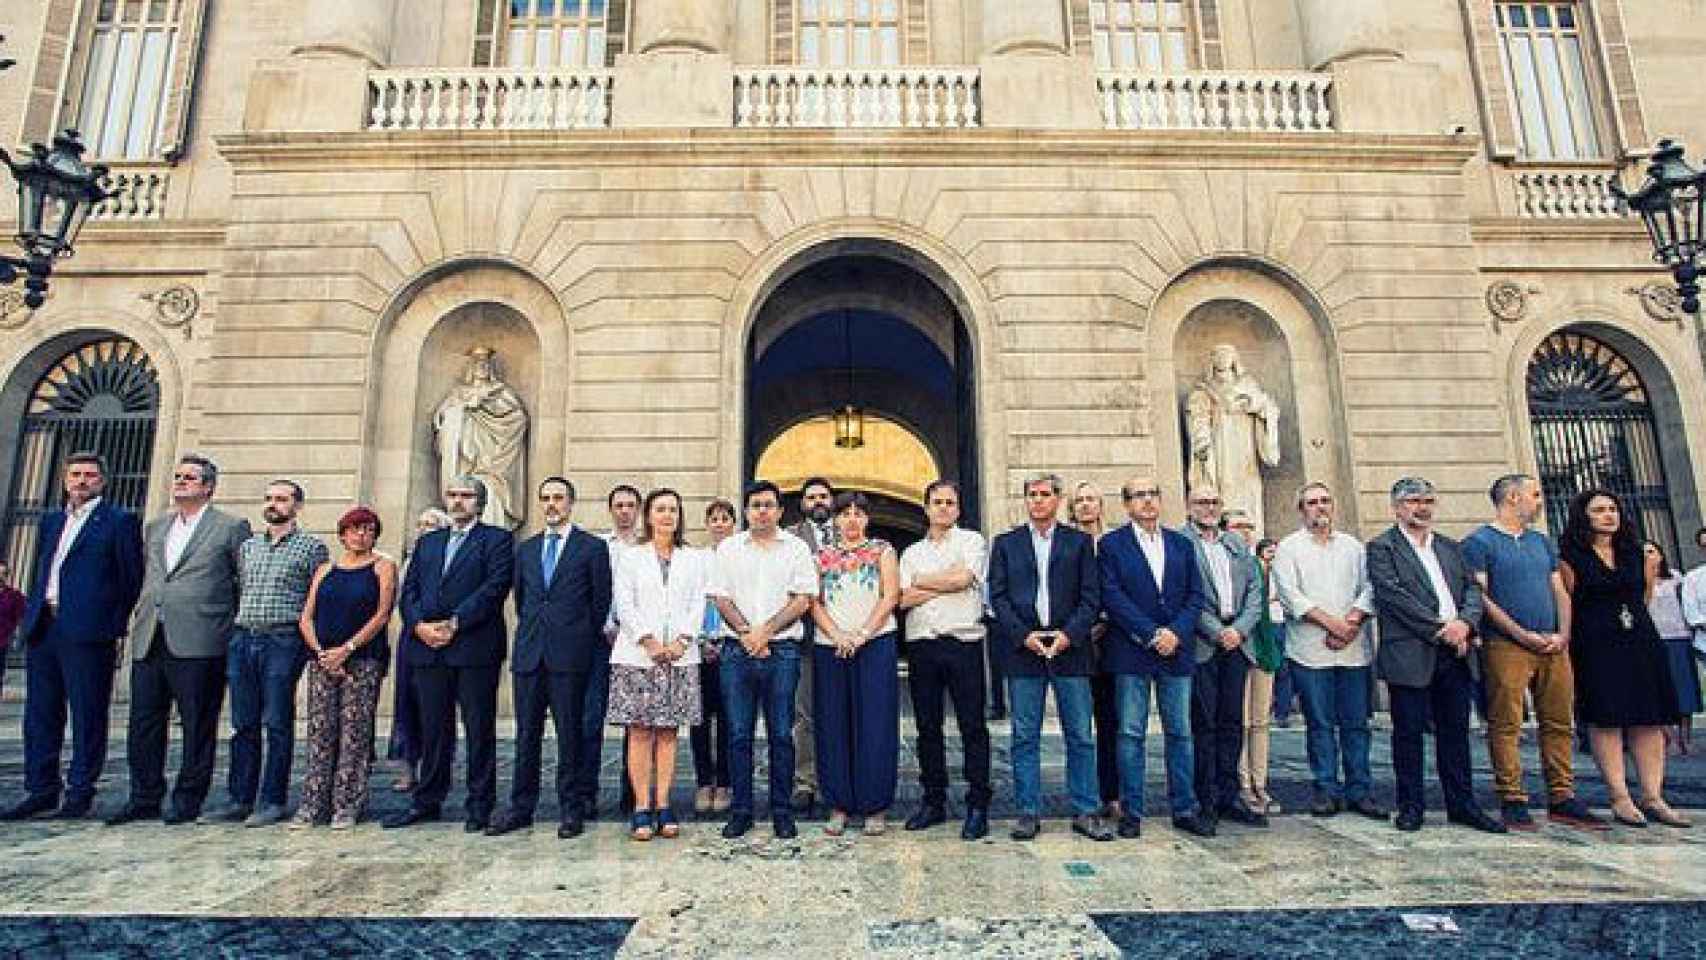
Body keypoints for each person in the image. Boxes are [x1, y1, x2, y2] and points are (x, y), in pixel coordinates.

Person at [108, 454, 252, 826]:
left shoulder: (230, 527)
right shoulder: (156, 526)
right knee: (143, 721)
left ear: (208, 486)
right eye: (178, 476)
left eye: (190, 477)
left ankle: (188, 798)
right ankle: (144, 795)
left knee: (196, 723)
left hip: (201, 637)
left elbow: (243, 581)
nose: (180, 482)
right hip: (152, 634)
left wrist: (227, 626)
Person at [2, 453, 144, 821]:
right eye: (75, 474)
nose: (81, 481)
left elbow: (131, 579)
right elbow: (42, 569)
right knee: (40, 713)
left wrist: (111, 624)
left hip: (88, 630)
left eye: (90, 475)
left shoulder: (118, 522)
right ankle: (41, 788)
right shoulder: (51, 521)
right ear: (65, 480)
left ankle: (80, 791)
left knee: (87, 713)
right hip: (44, 627)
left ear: (103, 481)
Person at [1463, 474, 1606, 832]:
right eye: (1534, 494)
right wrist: (1520, 634)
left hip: (1554, 646)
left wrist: (1563, 634)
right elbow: (1481, 598)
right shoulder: (1479, 543)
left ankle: (1562, 795)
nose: (1539, 501)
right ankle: (1512, 797)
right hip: (1506, 646)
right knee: (1507, 724)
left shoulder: (1542, 543)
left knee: (1559, 721)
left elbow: (1558, 588)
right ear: (1512, 497)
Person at [1365, 477, 1504, 834]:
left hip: (1456, 652)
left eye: (1427, 500)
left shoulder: (1450, 547)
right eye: (1413, 501)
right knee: (1408, 733)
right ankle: (1411, 805)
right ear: (1397, 507)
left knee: (1455, 732)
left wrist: (1466, 624)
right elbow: (1392, 597)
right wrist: (1443, 629)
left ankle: (1462, 803)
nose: (1422, 507)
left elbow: (1472, 589)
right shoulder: (1382, 548)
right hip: (1413, 652)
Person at [385, 476, 515, 832]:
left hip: (474, 648)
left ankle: (480, 804)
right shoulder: (429, 543)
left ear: (480, 501)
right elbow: (408, 591)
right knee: (433, 730)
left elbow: (495, 587)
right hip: (428, 649)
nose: (458, 502)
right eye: (453, 495)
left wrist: (455, 623)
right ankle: (428, 799)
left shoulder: (497, 540)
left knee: (478, 728)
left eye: (466, 496)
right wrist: (419, 626)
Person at [487, 477, 612, 839]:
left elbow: (600, 602)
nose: (552, 504)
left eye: (558, 498)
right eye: (546, 498)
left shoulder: (591, 548)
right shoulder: (526, 550)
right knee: (526, 734)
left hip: (570, 656)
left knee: (570, 734)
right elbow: (523, 600)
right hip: (530, 653)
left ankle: (571, 808)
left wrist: (577, 638)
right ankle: (521, 806)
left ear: (571, 502)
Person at [1558, 490, 1690, 828]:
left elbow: (1643, 596)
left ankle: (1653, 796)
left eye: (1612, 509)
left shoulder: (1637, 552)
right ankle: (1619, 796)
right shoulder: (1571, 555)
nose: (1608, 516)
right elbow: (1570, 599)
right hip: (1596, 643)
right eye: (1599, 510)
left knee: (1649, 718)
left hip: (1639, 639)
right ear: (1584, 517)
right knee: (1608, 718)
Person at [989, 474, 1109, 842]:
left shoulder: (1079, 543)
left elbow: (1091, 597)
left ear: (1058, 500)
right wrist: (1023, 636)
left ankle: (1086, 809)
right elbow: (998, 596)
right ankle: (1027, 811)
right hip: (1023, 649)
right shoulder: (1006, 544)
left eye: (1045, 495)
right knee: (1025, 735)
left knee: (1080, 734)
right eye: (1032, 495)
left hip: (1069, 649)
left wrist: (1068, 636)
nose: (1038, 501)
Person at [209, 479, 329, 827]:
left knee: (276, 721)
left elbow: (315, 598)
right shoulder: (248, 547)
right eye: (269, 498)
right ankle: (239, 798)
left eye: (282, 499)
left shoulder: (311, 548)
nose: (273, 504)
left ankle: (272, 799)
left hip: (283, 640)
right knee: (242, 723)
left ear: (297, 506)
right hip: (244, 637)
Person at [1099, 477, 1213, 839]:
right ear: (1126, 503)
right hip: (1132, 651)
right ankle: (1132, 811)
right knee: (1131, 733)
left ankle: (1184, 807)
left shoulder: (1181, 544)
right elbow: (1113, 597)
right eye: (1139, 496)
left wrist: (1175, 633)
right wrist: (1150, 634)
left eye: (1153, 494)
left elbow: (1196, 595)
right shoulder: (1112, 545)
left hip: (1176, 653)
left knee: (1180, 732)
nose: (1147, 501)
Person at [1271, 482, 1386, 821]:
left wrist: (1350, 623)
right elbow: (1291, 596)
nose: (1319, 508)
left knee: (1356, 723)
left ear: (1333, 506)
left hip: (1353, 650)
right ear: (1301, 510)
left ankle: (1360, 790)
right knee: (1319, 724)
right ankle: (1325, 789)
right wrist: (1332, 626)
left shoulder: (1353, 547)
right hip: (1311, 650)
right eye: (1311, 503)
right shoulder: (1289, 550)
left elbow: (1370, 588)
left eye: (1324, 501)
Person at [710, 480, 819, 840]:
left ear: (780, 510)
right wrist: (747, 633)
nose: (762, 511)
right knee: (739, 735)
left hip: (783, 651)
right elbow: (721, 597)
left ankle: (781, 810)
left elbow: (803, 598)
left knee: (781, 734)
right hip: (736, 652)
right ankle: (741, 810)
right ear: (746, 510)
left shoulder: (797, 549)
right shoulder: (728, 549)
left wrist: (766, 631)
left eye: (768, 505)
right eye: (755, 505)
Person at [610, 488, 711, 841]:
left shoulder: (694, 559)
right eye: (660, 509)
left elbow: (699, 602)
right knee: (639, 731)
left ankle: (664, 803)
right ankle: (640, 806)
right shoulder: (631, 557)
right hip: (638, 655)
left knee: (669, 732)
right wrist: (649, 641)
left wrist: (683, 640)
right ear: (648, 516)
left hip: (680, 656)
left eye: (673, 509)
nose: (667, 515)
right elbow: (624, 603)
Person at [898, 480, 992, 841]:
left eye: (950, 502)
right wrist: (946, 581)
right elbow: (902, 600)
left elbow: (964, 579)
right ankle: (933, 800)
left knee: (973, 726)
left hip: (963, 642)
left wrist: (924, 582)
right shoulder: (910, 553)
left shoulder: (971, 542)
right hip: (923, 645)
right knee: (927, 728)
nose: (943, 508)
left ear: (958, 508)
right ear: (926, 508)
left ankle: (977, 804)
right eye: (936, 502)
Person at [293, 507, 397, 829]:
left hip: (362, 660)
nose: (361, 535)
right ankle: (313, 802)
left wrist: (348, 649)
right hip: (323, 660)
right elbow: (306, 616)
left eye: (367, 530)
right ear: (342, 534)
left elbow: (381, 615)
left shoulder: (383, 567)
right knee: (320, 732)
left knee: (354, 732)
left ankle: (347, 803)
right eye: (354, 530)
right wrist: (323, 652)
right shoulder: (326, 570)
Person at [811, 491, 901, 836]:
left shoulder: (882, 550)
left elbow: (890, 595)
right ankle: (838, 804)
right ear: (835, 518)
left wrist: (863, 633)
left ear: (867, 518)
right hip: (830, 645)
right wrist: (837, 635)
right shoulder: (821, 556)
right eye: (845, 513)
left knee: (876, 724)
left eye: (858, 513)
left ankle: (875, 805)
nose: (852, 519)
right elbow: (813, 601)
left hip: (875, 643)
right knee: (833, 724)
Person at [1180, 485, 1267, 828]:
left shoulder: (1236, 544)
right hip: (1204, 644)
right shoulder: (1181, 544)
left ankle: (1230, 795)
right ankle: (1206, 798)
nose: (1209, 508)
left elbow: (1256, 591)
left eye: (1214, 502)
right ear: (1189, 507)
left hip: (1238, 643)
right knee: (1205, 725)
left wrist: (1240, 630)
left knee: (1233, 722)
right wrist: (1217, 631)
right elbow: (1188, 595)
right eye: (1202, 502)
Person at [580, 484, 641, 820]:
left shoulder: (648, 548)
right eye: (618, 504)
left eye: (630, 505)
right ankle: (586, 792)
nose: (624, 511)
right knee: (591, 719)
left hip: (635, 644)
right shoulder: (595, 546)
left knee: (636, 722)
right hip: (598, 643)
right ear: (610, 508)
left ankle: (632, 794)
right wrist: (602, 626)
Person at [1067, 481, 1120, 821]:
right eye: (1080, 501)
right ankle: (1084, 795)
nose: (1086, 505)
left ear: (1102, 505)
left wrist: (1105, 619)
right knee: (1079, 725)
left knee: (1113, 721)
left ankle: (1113, 792)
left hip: (1115, 639)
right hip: (1077, 640)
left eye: (1092, 500)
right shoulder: (1066, 543)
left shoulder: (1116, 542)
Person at [388, 507, 451, 792]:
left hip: (446, 635)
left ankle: (435, 768)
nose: (425, 528)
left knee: (437, 708)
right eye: (422, 523)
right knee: (406, 702)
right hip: (413, 636)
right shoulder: (409, 561)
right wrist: (417, 625)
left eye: (433, 524)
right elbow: (404, 598)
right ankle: (406, 764)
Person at [789, 476, 836, 814]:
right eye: (811, 497)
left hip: (843, 637)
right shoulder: (790, 539)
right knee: (804, 714)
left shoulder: (850, 532)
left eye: (823, 496)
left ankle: (837, 778)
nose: (817, 501)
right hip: (804, 636)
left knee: (839, 711)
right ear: (802, 503)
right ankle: (805, 780)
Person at [1234, 529, 1285, 816]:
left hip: (1263, 647)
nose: (1243, 532)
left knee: (1260, 720)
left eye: (1247, 527)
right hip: (1238, 646)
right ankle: (1243, 782)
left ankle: (1260, 781)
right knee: (1241, 721)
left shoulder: (1261, 567)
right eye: (1236, 526)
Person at [691, 499, 738, 815]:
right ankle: (703, 781)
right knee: (699, 719)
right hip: (698, 647)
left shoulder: (740, 555)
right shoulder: (696, 559)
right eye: (714, 519)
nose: (719, 524)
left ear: (733, 523)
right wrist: (700, 640)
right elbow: (690, 600)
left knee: (728, 719)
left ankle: (724, 782)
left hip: (730, 644)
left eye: (725, 518)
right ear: (707, 524)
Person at [1645, 540, 1700, 755]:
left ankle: (1686, 737)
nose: (1648, 556)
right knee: (1661, 687)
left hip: (1679, 636)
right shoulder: (1639, 581)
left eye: (1652, 552)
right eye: (1644, 554)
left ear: (1661, 555)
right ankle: (1670, 737)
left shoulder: (1677, 578)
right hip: (1655, 639)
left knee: (1684, 688)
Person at [0, 561, 24, 703]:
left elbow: (22, 616)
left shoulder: (14, 596)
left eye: (3, 574)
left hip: (2, 641)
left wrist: (18, 636)